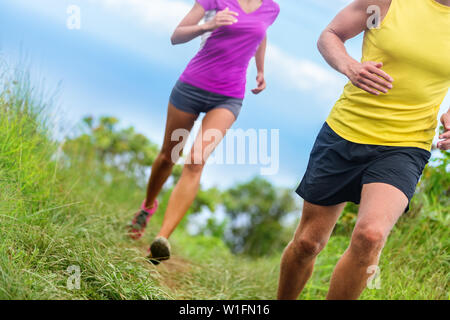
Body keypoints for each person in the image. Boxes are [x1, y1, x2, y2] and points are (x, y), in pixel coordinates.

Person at [278, 0, 450, 300]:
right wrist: (350, 67)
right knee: (308, 242)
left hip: (406, 145)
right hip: (345, 132)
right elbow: (331, 34)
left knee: (370, 236)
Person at [128, 0, 280, 264]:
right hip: (191, 87)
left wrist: (261, 69)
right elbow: (177, 35)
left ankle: (161, 240)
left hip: (229, 97)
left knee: (196, 160)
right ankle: (148, 206)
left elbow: (260, 32)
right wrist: (210, 24)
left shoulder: (272, 8)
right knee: (168, 156)